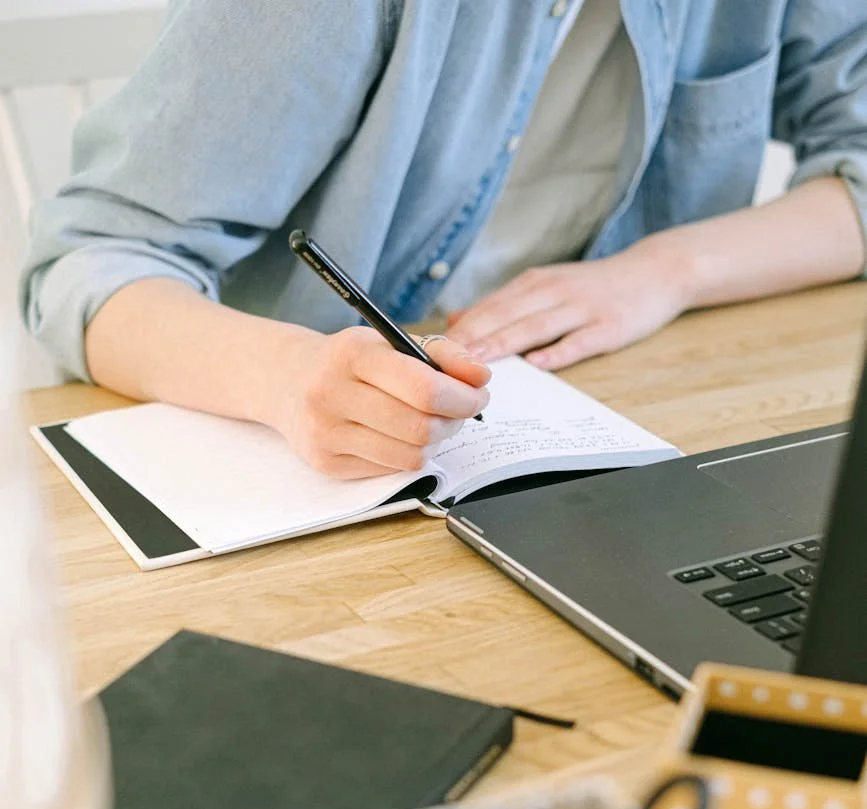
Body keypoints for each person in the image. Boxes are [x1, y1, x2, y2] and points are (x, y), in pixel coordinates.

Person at [21, 0, 867, 480]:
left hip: (631, 438)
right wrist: (285, 376)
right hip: (317, 475)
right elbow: (91, 263)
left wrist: (662, 273)